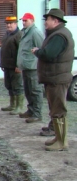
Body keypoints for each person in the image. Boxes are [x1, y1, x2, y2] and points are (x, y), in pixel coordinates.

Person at [33, 8, 75, 151]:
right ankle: (58, 137)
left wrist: (37, 52)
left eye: (48, 19)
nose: (45, 22)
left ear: (55, 21)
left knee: (58, 109)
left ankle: (62, 142)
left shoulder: (59, 36)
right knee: (55, 108)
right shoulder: (58, 34)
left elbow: (49, 54)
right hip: (54, 77)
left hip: (57, 78)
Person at [16, 13, 45, 123]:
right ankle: (31, 110)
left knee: (35, 90)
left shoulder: (35, 32)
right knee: (28, 90)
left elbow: (41, 48)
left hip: (33, 66)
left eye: (26, 21)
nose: (23, 22)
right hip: (26, 66)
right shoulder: (25, 32)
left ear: (32, 21)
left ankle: (37, 113)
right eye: (22, 21)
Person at [0, 16, 24, 115]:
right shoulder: (7, 34)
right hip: (7, 65)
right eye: (7, 23)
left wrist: (19, 65)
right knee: (9, 85)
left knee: (17, 86)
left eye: (11, 23)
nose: (8, 25)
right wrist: (2, 63)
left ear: (16, 24)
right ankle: (12, 104)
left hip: (15, 66)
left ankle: (19, 106)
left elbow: (21, 51)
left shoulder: (19, 35)